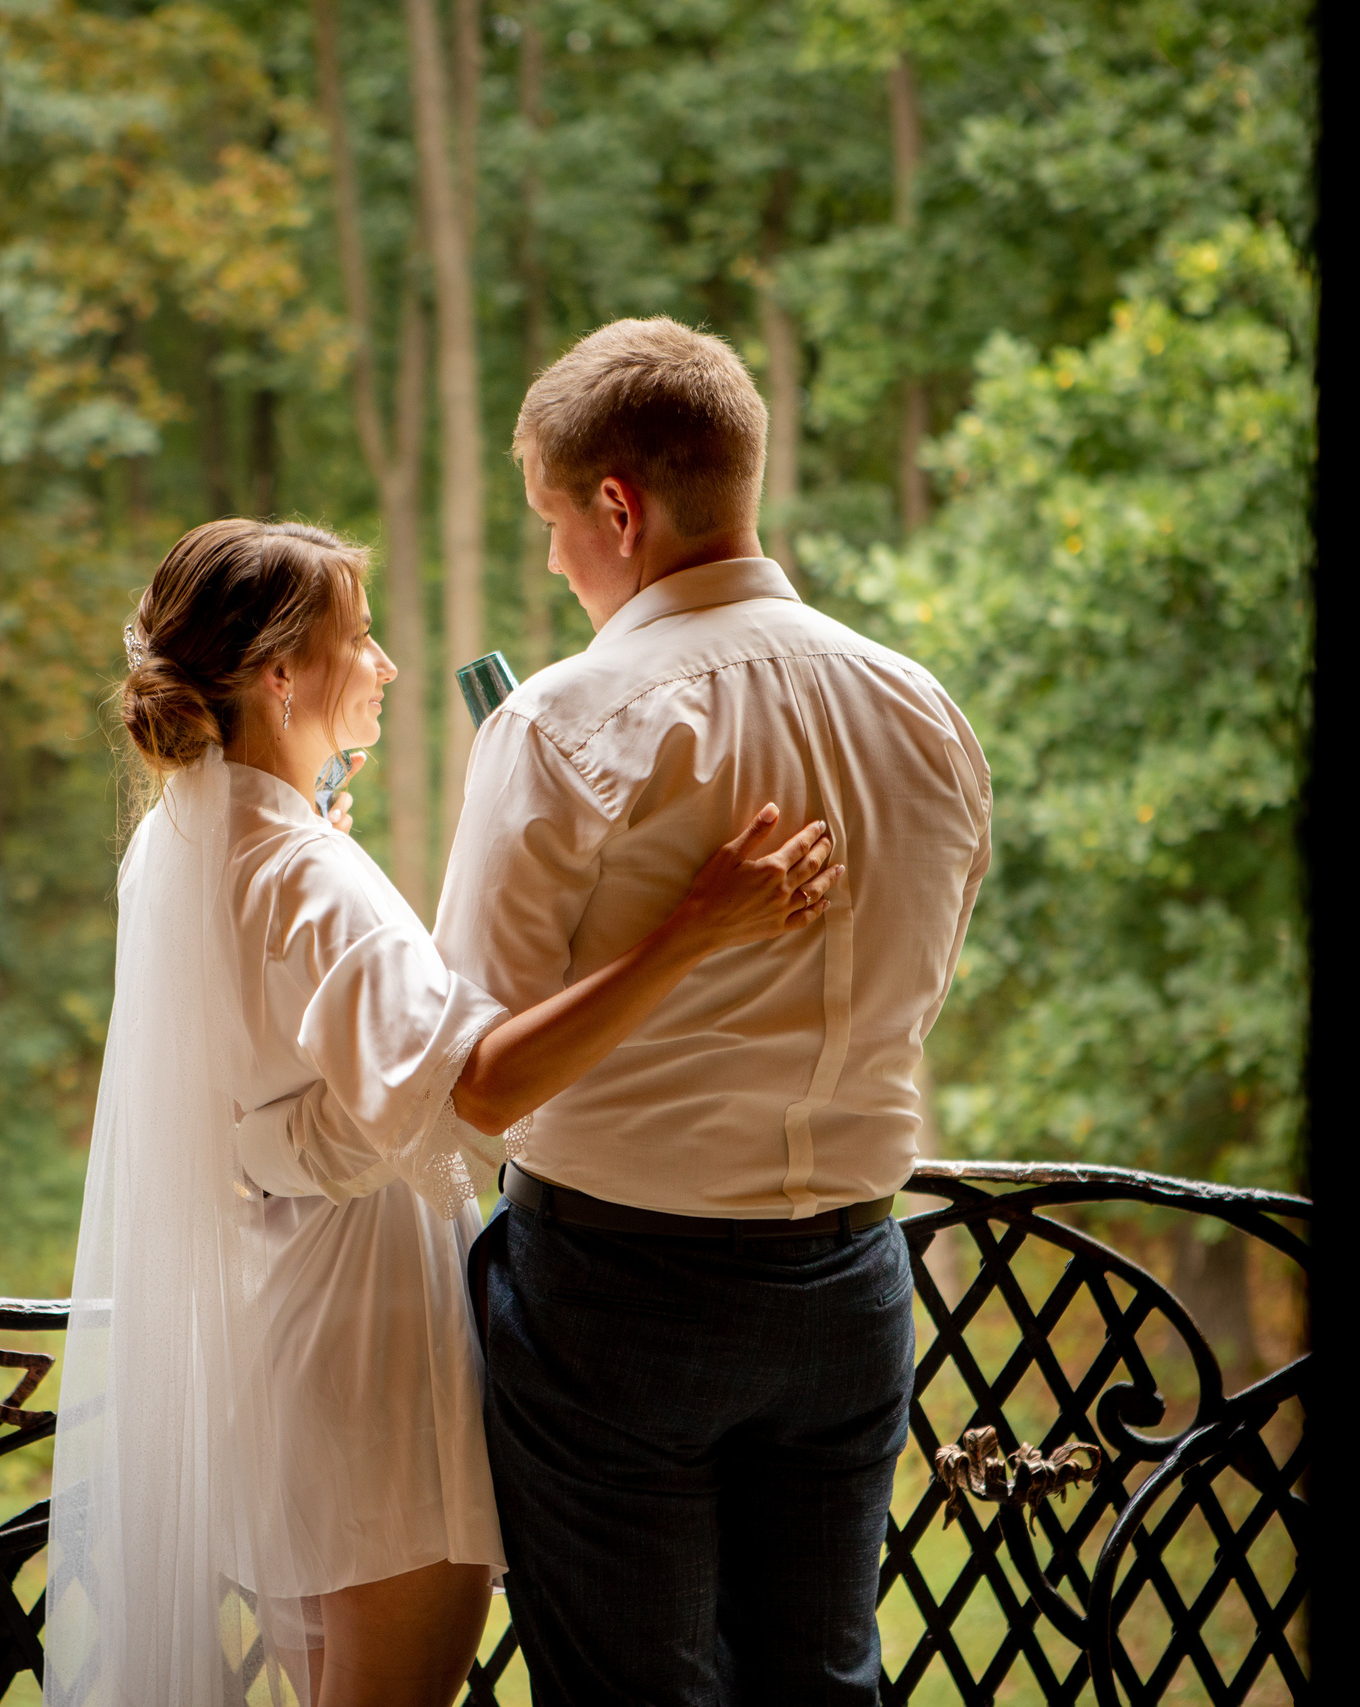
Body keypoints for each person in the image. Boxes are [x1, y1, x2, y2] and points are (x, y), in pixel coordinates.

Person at [43, 517, 843, 1707]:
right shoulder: (302, 872)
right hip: (367, 1354)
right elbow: (479, 1090)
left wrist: (271, 1144)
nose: (387, 666)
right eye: (360, 642)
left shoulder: (179, 838)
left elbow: (256, 1094)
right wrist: (697, 928)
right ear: (279, 676)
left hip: (271, 1336)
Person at [435, 318, 994, 1704]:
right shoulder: (923, 709)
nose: (557, 562)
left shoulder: (564, 722)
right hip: (859, 1281)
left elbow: (474, 1076)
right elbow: (913, 983)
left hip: (622, 1297)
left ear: (617, 507)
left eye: (555, 522)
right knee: (822, 1679)